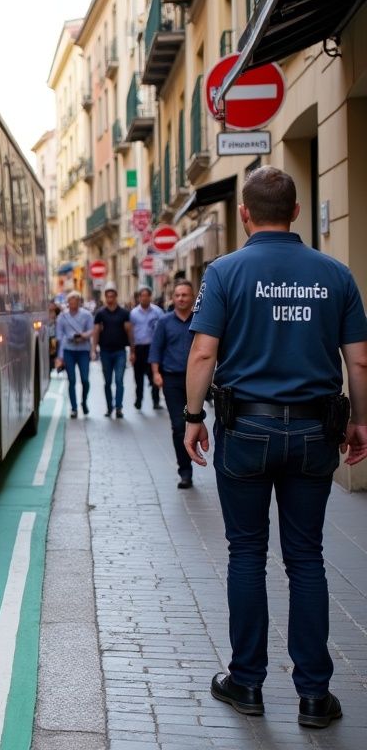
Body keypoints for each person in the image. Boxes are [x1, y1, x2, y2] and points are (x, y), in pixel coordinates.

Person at [184, 166, 367, 729]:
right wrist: (361, 421)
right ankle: (314, 695)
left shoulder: (226, 272)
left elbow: (202, 354)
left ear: (244, 213)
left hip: (246, 432)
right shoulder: (335, 273)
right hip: (315, 433)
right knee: (306, 558)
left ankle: (247, 683)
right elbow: (358, 359)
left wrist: (193, 418)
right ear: (295, 210)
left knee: (246, 555)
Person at [148, 279, 197, 488]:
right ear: (172, 298)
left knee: (195, 421)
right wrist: (156, 373)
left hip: (197, 380)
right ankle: (185, 471)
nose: (181, 299)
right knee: (179, 426)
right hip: (172, 379)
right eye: (177, 295)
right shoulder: (164, 322)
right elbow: (156, 348)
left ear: (192, 297)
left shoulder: (201, 320)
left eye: (185, 295)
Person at [93, 284, 132, 418]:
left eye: (112, 296)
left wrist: (133, 350)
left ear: (116, 297)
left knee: (119, 380)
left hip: (120, 351)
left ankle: (119, 407)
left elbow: (129, 331)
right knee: (108, 381)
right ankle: (109, 407)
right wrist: (93, 349)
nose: (110, 299)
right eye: (108, 296)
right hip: (105, 352)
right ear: (105, 297)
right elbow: (96, 331)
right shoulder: (100, 313)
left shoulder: (124, 313)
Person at [54, 291, 93, 419]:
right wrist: (60, 357)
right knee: (71, 380)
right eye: (71, 300)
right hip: (68, 350)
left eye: (76, 300)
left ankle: (84, 401)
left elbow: (92, 330)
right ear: (68, 302)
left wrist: (84, 336)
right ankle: (74, 408)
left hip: (83, 350)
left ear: (79, 301)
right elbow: (60, 337)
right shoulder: (62, 317)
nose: (73, 303)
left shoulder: (87, 315)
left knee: (85, 380)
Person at [129, 286, 164, 411]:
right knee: (138, 377)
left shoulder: (158, 312)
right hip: (139, 348)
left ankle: (156, 401)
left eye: (146, 295)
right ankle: (139, 400)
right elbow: (131, 333)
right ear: (139, 298)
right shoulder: (133, 313)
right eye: (142, 296)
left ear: (150, 297)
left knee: (154, 374)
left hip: (153, 347)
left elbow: (162, 331)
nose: (144, 298)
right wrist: (132, 352)